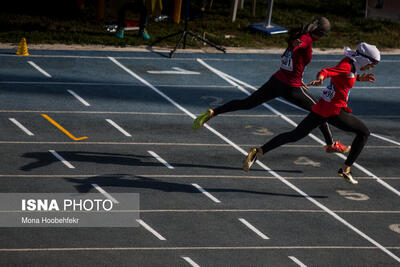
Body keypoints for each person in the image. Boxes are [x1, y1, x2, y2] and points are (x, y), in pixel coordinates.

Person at [193, 17, 350, 154]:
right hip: (291, 87)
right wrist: (297, 45)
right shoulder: (306, 40)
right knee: (320, 110)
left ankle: (213, 112)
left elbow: (291, 56)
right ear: (321, 34)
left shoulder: (299, 36)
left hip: (276, 81)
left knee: (247, 103)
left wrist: (296, 66)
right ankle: (331, 144)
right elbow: (299, 45)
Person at [243, 42, 380, 185]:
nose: (370, 68)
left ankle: (257, 152)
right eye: (371, 65)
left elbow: (343, 75)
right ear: (364, 60)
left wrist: (358, 78)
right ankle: (345, 169)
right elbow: (327, 71)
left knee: (295, 135)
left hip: (322, 107)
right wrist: (321, 77)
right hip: (334, 111)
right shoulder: (347, 66)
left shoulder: (349, 63)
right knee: (364, 133)